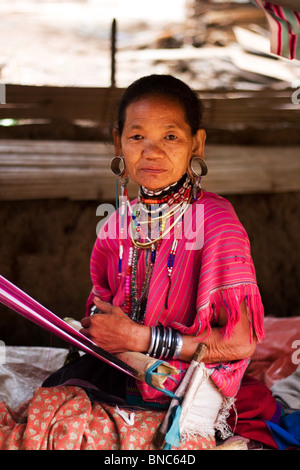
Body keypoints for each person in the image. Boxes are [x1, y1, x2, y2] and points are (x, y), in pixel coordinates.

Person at [43, 74, 265, 448]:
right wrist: (98, 329)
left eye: (171, 136)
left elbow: (241, 343)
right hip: (122, 378)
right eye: (136, 136)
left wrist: (139, 337)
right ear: (118, 142)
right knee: (46, 417)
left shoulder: (218, 224)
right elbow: (104, 311)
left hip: (181, 398)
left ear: (198, 144)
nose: (151, 151)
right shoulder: (116, 225)